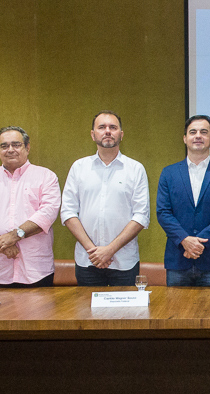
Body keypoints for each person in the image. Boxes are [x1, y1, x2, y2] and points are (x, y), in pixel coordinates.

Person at [61, 111, 150, 286]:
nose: (107, 131)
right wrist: (93, 251)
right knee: (87, 312)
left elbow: (141, 216)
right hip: (88, 260)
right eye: (102, 127)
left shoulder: (135, 169)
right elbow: (68, 212)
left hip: (124, 262)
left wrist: (109, 250)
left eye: (113, 127)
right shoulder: (79, 167)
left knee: (125, 313)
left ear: (121, 135)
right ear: (93, 134)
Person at [0, 126, 61, 288]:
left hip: (35, 270)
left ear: (27, 148)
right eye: (4, 146)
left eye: (16, 145)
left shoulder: (46, 176)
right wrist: (2, 245)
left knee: (39, 314)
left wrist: (14, 236)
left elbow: (48, 213)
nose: (10, 150)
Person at [156, 115, 210, 286]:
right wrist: (185, 240)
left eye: (204, 132)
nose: (198, 136)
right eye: (193, 132)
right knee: (176, 313)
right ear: (185, 138)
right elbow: (163, 212)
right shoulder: (169, 173)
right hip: (178, 260)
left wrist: (198, 243)